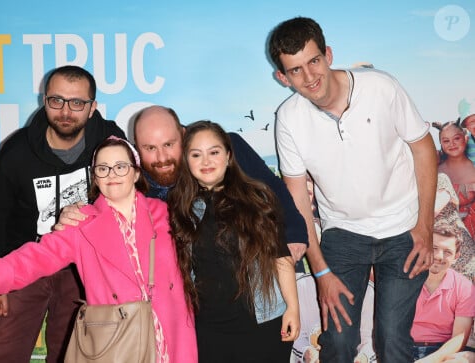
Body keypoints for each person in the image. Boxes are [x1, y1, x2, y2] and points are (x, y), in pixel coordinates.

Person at [268, 17, 438, 362]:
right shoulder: (288, 117)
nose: (310, 77)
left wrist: (424, 228)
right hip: (343, 236)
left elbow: (423, 148)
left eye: (314, 61)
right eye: (296, 70)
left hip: (403, 228)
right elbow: (298, 200)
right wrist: (321, 272)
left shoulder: (381, 87)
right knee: (340, 343)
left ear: (328, 54)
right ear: (282, 78)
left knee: (392, 338)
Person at [0, 137, 197, 363]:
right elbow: (39, 256)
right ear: (95, 177)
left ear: (136, 172)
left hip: (171, 335)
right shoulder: (82, 223)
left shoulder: (165, 214)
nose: (112, 174)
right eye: (103, 168)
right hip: (117, 341)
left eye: (120, 166)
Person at [0, 65, 125, 362]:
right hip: (23, 261)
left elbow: (128, 201)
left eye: (77, 103)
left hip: (80, 269)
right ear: (44, 101)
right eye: (56, 101)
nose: (66, 112)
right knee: (6, 353)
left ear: (92, 107)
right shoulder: (16, 151)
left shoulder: (110, 142)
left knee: (70, 354)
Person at [57, 105, 308, 262]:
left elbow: (271, 189)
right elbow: (104, 212)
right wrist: (75, 215)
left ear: (183, 135)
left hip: (245, 279)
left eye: (169, 144)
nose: (162, 158)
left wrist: (295, 232)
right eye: (150, 148)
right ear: (136, 147)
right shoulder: (132, 177)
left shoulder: (222, 149)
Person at [167, 120, 300, 362]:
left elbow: (280, 256)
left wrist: (293, 308)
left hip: (262, 324)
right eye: (196, 154)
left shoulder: (258, 199)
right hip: (207, 329)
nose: (206, 161)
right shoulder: (180, 208)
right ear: (187, 161)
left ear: (228, 156)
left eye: (214, 152)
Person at [411, 223, 475, 360]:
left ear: (456, 256)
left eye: (447, 252)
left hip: (441, 352)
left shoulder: (465, 287)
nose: (439, 256)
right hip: (403, 347)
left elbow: (459, 339)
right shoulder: (404, 279)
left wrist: (429, 360)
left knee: (465, 359)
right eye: (434, 248)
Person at [435, 120, 475, 238]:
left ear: (466, 139)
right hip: (443, 234)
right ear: (441, 144)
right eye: (446, 141)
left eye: (456, 138)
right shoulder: (436, 170)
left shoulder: (474, 166)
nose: (451, 144)